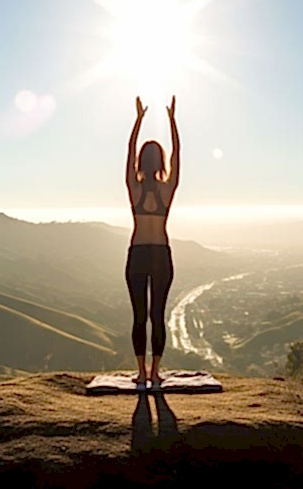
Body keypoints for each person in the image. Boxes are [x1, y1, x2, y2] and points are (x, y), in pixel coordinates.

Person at [125, 95, 179, 391]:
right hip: (161, 254)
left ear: (140, 163)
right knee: (157, 314)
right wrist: (172, 122)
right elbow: (178, 155)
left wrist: (138, 121)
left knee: (139, 316)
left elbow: (128, 150)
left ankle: (141, 372)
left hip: (137, 254)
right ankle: (155, 372)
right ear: (161, 162)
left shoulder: (133, 188)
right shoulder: (167, 189)